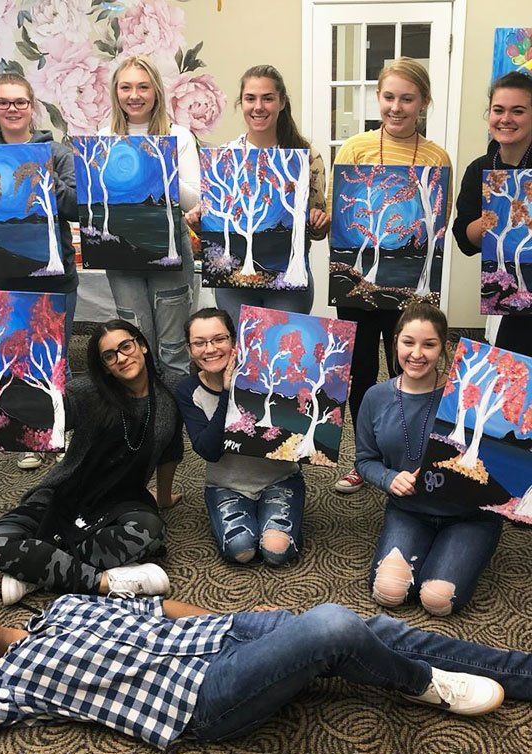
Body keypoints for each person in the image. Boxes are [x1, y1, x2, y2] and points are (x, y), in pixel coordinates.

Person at [0, 591, 532, 754]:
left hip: (222, 635)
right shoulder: (7, 685)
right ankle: (422, 685)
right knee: (332, 626)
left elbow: (157, 608)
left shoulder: (66, 607)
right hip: (201, 699)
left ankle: (522, 674)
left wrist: (241, 622)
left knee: (378, 628)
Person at [0, 319, 183, 606]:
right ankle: (102, 580)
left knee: (150, 531)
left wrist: (163, 497)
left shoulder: (170, 391)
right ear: (104, 366)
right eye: (109, 356)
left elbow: (171, 449)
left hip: (123, 499)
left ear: (143, 345)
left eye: (126, 346)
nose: (121, 358)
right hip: (67, 491)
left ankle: (36, 570)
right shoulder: (88, 391)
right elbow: (58, 412)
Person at [329, 57, 453, 494]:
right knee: (361, 371)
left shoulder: (437, 158)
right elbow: (341, 221)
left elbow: (438, 225)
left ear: (423, 103)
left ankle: (415, 455)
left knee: (413, 369)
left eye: (407, 98)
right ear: (377, 98)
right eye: (388, 97)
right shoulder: (355, 150)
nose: (396, 107)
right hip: (358, 286)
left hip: (412, 289)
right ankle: (367, 461)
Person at [355, 303, 502, 616]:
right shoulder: (375, 397)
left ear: (444, 347)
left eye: (429, 344)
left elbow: (496, 461)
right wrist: (388, 478)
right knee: (389, 592)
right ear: (394, 342)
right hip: (409, 510)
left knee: (436, 600)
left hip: (469, 515)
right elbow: (364, 460)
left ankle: (461, 551)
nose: (417, 354)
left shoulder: (464, 395)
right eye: (408, 342)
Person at [0, 72, 79, 470]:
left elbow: (76, 206)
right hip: (0, 274)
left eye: (20, 102)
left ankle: (63, 430)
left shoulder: (56, 152)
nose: (12, 110)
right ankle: (30, 434)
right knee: (12, 355)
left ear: (32, 106)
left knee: (53, 355)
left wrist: (48, 182)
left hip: (54, 274)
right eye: (4, 102)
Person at [187, 64, 330, 320]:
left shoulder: (307, 158)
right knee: (239, 353)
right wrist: (201, 222)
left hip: (288, 283)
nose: (258, 107)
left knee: (281, 352)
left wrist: (319, 223)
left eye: (268, 98)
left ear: (282, 102)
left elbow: (317, 232)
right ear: (240, 103)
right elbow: (217, 224)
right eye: (250, 98)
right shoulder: (226, 158)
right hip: (234, 285)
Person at [99, 55, 200, 388]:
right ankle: (145, 424)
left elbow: (194, 200)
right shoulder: (102, 138)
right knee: (135, 346)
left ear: (155, 91)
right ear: (116, 93)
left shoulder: (179, 136)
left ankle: (171, 429)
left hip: (169, 248)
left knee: (173, 349)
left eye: (143, 87)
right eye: (126, 87)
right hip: (121, 253)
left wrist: (157, 168)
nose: (134, 95)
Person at [176, 308, 304, 566]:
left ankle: (275, 518)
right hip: (226, 485)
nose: (210, 349)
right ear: (190, 350)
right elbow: (209, 451)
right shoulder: (188, 390)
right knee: (241, 550)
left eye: (219, 339)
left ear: (234, 341)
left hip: (279, 478)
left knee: (275, 551)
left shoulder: (268, 374)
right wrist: (227, 392)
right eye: (199, 343)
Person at [452, 71, 532, 355]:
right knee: (514, 376)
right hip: (510, 296)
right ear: (489, 114)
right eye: (498, 110)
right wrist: (491, 221)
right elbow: (464, 238)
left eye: (518, 111)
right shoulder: (479, 170)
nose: (506, 118)